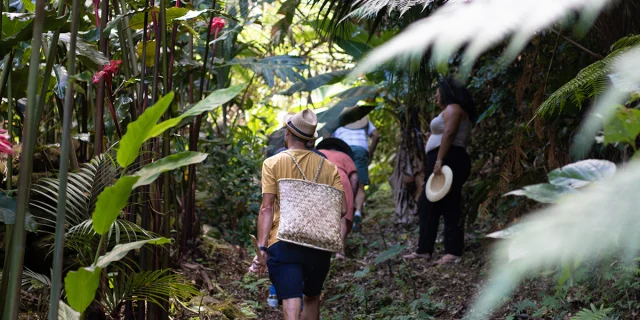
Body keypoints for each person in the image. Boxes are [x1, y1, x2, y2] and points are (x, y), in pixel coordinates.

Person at [249, 109, 346, 320]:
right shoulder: (329, 167)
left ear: (287, 134)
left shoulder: (273, 163)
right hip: (318, 244)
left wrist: (262, 248)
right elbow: (343, 209)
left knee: (291, 301)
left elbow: (266, 208)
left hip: (283, 242)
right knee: (312, 297)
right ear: (311, 139)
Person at [403, 76, 475, 265]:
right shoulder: (451, 110)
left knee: (448, 202)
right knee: (430, 204)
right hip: (444, 157)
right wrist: (432, 140)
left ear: (445, 93)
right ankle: (425, 250)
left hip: (449, 159)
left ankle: (452, 252)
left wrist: (440, 159)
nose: (435, 98)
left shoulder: (454, 108)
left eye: (437, 94)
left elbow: (450, 134)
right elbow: (445, 134)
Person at [332, 113, 380, 231]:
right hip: (360, 150)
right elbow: (376, 135)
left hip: (344, 151)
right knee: (360, 185)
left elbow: (331, 141)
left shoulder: (338, 122)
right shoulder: (363, 119)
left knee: (344, 184)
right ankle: (358, 212)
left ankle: (346, 218)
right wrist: (370, 152)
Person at [317, 138, 359, 260]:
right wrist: (352, 194)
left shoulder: (318, 152)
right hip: (342, 180)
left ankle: (320, 250)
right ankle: (340, 252)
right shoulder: (345, 156)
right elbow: (355, 178)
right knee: (342, 219)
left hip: (322, 179)